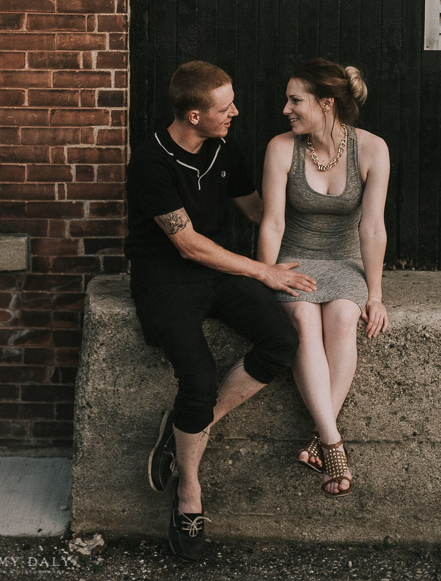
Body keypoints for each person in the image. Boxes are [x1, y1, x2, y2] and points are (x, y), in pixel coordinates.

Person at [125, 61, 316, 561]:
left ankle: (188, 426)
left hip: (219, 271)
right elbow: (187, 244)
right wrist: (263, 272)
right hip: (166, 277)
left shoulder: (223, 148)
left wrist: (320, 216)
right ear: (193, 115)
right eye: (223, 107)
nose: (235, 112)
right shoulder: (151, 162)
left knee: (282, 341)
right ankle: (188, 494)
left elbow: (255, 209)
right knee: (199, 377)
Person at [257, 57, 389, 498]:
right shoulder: (281, 148)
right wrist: (268, 273)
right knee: (304, 326)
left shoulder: (372, 149)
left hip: (344, 260)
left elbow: (372, 228)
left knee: (342, 322)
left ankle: (319, 438)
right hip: (294, 259)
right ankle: (332, 444)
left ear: (326, 104)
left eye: (296, 100)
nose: (286, 108)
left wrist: (375, 294)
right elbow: (272, 222)